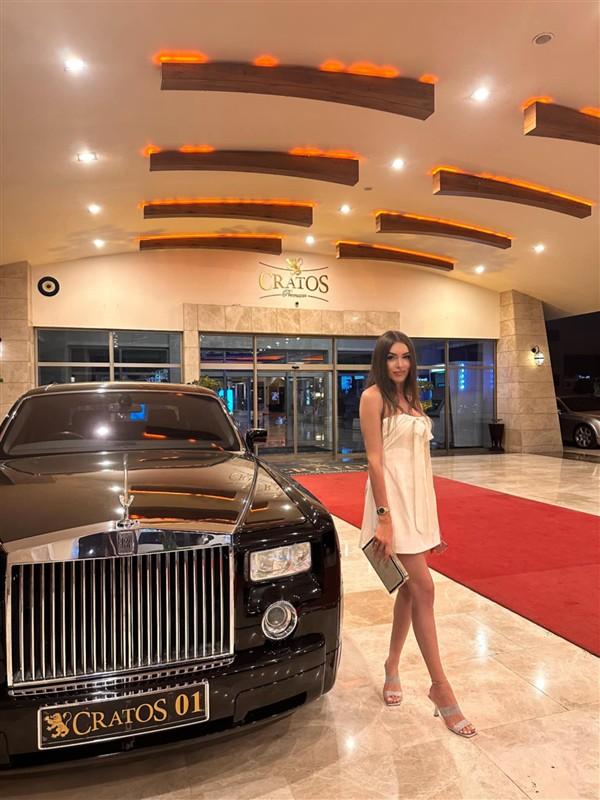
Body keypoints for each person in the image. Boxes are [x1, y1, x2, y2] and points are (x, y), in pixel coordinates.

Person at [359, 330, 476, 738]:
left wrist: (430, 524)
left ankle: (392, 665)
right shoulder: (373, 397)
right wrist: (384, 518)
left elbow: (421, 465)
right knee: (423, 588)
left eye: (406, 356)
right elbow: (375, 461)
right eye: (392, 357)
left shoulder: (413, 399)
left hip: (416, 505)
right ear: (381, 361)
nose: (399, 364)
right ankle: (440, 687)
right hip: (390, 504)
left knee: (410, 592)